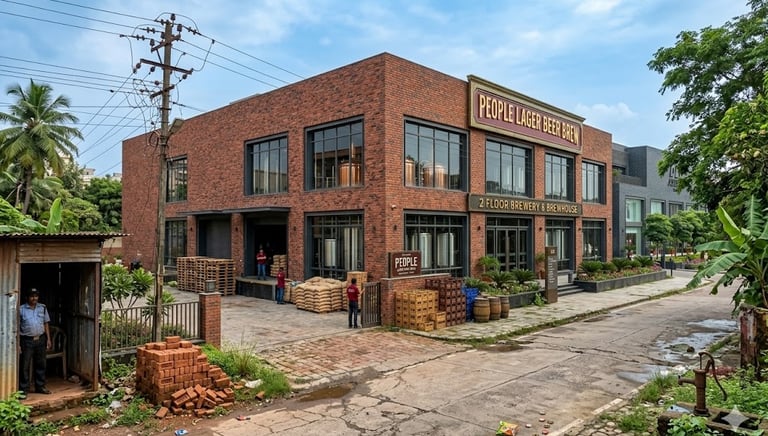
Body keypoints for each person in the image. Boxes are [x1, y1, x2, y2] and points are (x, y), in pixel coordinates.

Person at [18, 288, 52, 399]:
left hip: (41, 339)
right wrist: (18, 343)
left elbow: (46, 323)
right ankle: (23, 389)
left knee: (41, 364)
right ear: (27, 298)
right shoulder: (21, 309)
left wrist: (48, 339)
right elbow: (17, 327)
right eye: (32, 296)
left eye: (36, 296)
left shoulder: (42, 308)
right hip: (27, 340)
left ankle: (40, 386)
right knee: (25, 365)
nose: (34, 298)